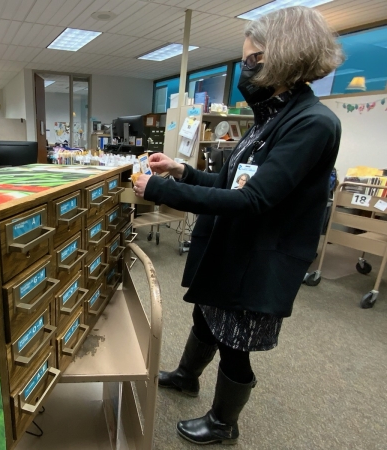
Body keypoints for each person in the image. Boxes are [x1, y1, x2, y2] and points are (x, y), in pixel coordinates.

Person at [133, 6, 343, 446]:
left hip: (262, 256)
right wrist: (180, 171)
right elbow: (233, 182)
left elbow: (254, 200)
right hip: (234, 243)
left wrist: (158, 191)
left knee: (236, 340)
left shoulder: (312, 123)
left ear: (285, 56)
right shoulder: (269, 119)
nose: (245, 70)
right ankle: (188, 375)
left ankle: (224, 423)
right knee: (207, 313)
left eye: (253, 60)